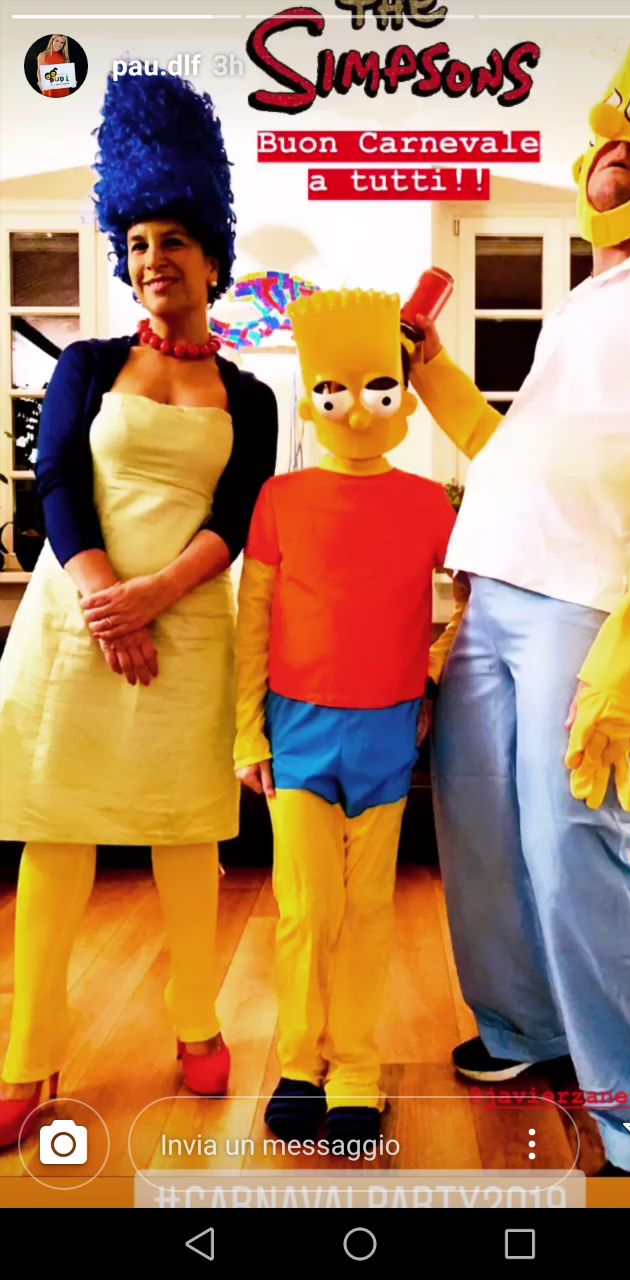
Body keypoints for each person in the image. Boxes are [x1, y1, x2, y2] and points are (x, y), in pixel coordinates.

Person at [409, 37, 630, 1176]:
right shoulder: (588, 297)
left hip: (583, 603)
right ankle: (524, 1030)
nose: (611, 144)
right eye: (606, 131)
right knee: (482, 830)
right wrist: (433, 372)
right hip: (490, 587)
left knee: (575, 846)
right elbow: (519, 449)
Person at [0, 69, 278, 1149]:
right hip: (73, 626)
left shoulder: (252, 396)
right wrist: (105, 599)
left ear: (212, 257)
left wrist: (156, 596)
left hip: (191, 628)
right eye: (138, 244)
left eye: (174, 241)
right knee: (57, 829)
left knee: (186, 831)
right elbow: (58, 480)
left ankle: (196, 1018)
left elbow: (237, 512)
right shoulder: (85, 364)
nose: (153, 258)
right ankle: (28, 1051)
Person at [233, 288, 455, 1146]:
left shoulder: (428, 502)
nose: (356, 409)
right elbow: (254, 617)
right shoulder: (279, 498)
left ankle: (355, 1066)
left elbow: (475, 594)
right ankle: (300, 1063)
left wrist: (430, 671)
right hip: (297, 729)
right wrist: (247, 730)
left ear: (403, 395)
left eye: (377, 388)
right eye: (333, 390)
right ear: (311, 396)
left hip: (387, 731)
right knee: (305, 904)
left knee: (368, 907)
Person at [37, 34, 71, 98]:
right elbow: (39, 71)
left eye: (62, 42)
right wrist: (40, 83)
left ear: (64, 45)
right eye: (57, 40)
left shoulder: (64, 57)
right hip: (49, 89)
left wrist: (71, 80)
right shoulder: (42, 55)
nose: (59, 44)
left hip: (63, 89)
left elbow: (66, 74)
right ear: (52, 40)